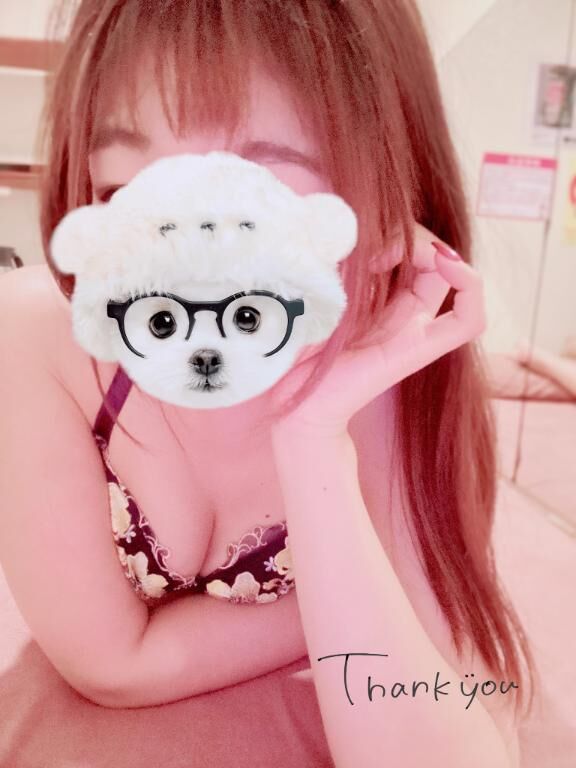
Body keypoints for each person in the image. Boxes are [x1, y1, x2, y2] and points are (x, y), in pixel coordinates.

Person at [0, 1, 536, 766]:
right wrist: (334, 598)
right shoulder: (37, 335)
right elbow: (110, 667)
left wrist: (313, 438)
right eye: (125, 192)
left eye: (250, 199)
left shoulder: (392, 372)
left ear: (385, 221)